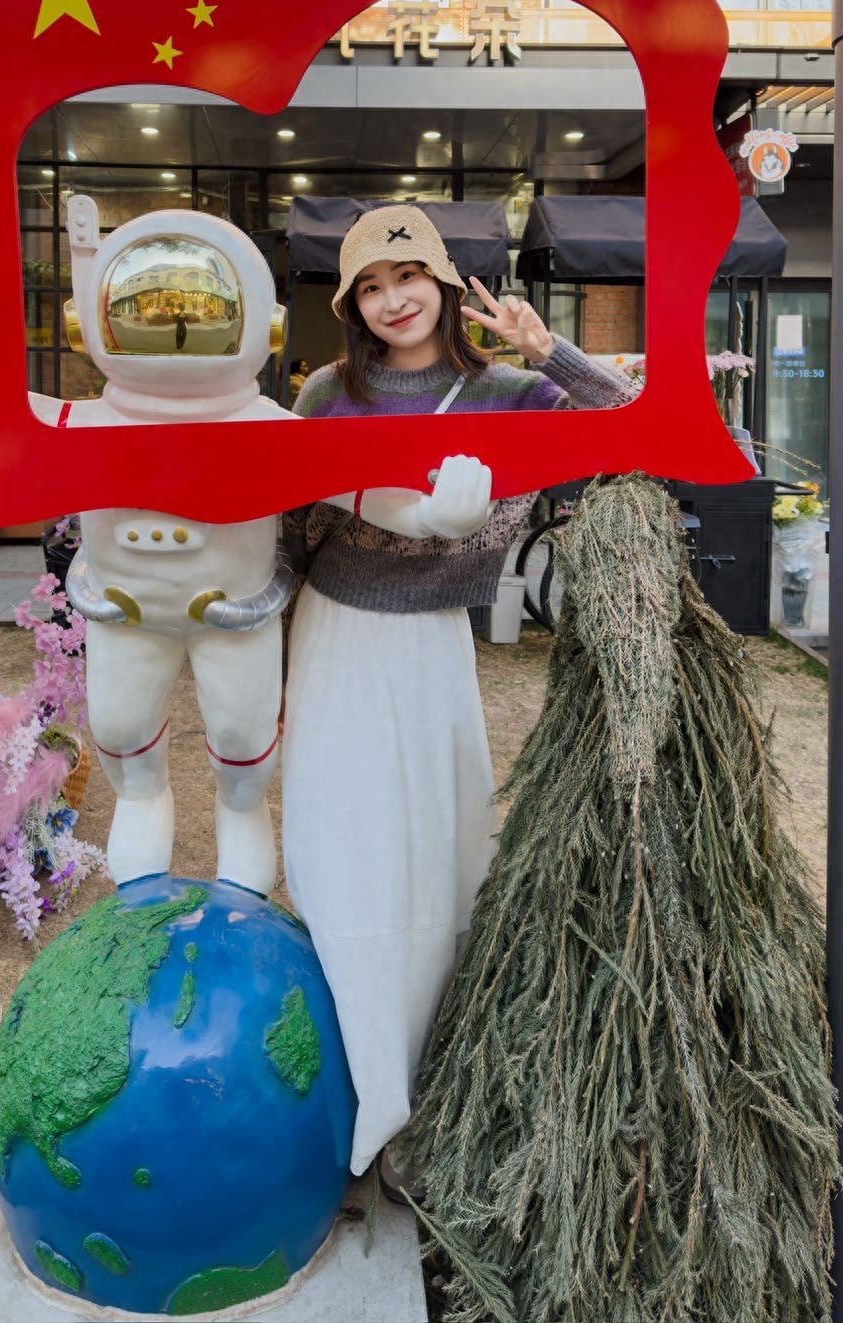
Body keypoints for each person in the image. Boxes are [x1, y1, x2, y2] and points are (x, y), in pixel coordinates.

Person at [281, 204, 632, 1181]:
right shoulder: (324, 391)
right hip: (334, 635)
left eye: (408, 278)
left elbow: (630, 428)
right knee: (331, 845)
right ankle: (351, 1080)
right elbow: (280, 527)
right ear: (352, 304)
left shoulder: (507, 392)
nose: (393, 300)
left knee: (438, 860)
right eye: (371, 287)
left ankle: (428, 1085)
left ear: (440, 282)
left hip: (432, 646)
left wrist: (551, 348)